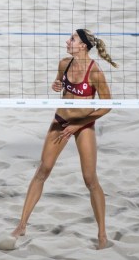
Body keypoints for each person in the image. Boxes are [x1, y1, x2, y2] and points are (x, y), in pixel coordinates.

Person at [10, 29, 118, 250]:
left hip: (83, 126)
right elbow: (59, 83)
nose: (67, 41)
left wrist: (78, 125)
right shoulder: (64, 64)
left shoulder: (95, 72)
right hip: (60, 121)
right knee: (42, 171)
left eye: (72, 39)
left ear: (83, 46)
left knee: (90, 179)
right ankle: (21, 225)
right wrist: (56, 85)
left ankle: (102, 235)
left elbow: (107, 105)